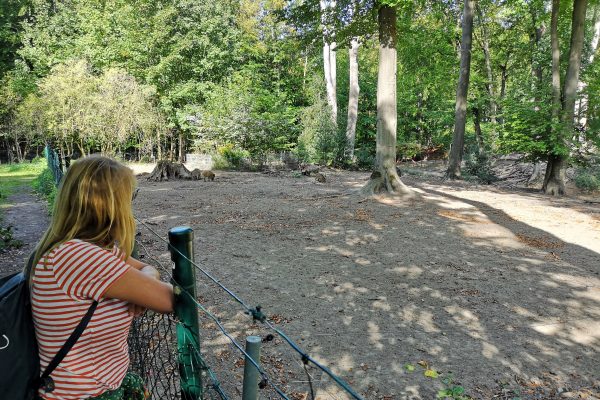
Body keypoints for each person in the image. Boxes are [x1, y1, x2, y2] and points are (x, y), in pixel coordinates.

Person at [29, 155, 174, 400]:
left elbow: (145, 268)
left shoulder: (84, 250)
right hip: (84, 394)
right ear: (111, 204)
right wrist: (146, 285)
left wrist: (147, 277)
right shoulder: (80, 257)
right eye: (129, 197)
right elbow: (170, 298)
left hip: (96, 386)